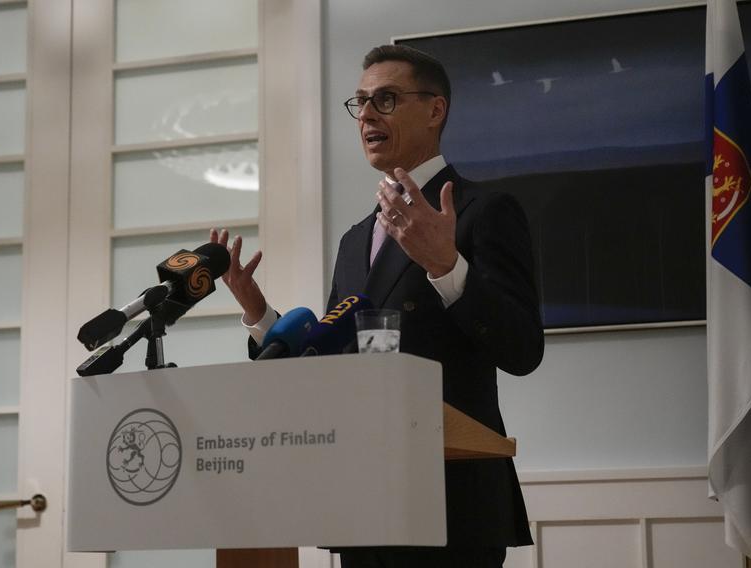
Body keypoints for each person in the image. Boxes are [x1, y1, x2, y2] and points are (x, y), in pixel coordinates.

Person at [211, 44, 544, 568]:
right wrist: (260, 317)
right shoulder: (354, 239)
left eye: (385, 100)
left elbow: (523, 349)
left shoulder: (485, 211)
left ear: (436, 110)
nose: (366, 114)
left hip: (453, 501)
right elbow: (330, 361)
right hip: (364, 496)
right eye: (360, 102)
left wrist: (446, 266)